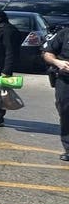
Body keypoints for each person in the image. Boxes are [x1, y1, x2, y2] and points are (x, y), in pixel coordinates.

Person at [42, 26, 69, 161]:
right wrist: (57, 62)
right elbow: (47, 53)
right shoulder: (64, 33)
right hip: (65, 80)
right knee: (65, 111)